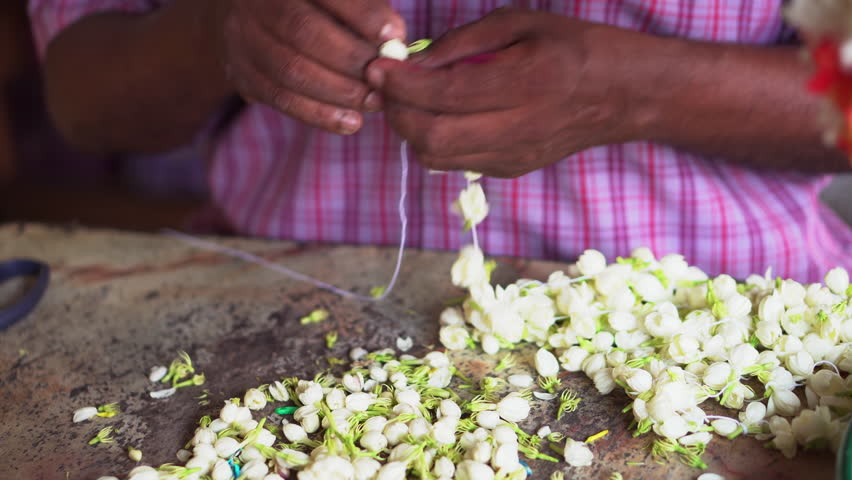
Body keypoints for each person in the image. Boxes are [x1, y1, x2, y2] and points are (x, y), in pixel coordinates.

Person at [28, 0, 852, 282]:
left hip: (728, 316)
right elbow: (83, 101)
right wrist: (221, 29)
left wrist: (637, 90)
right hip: (283, 300)